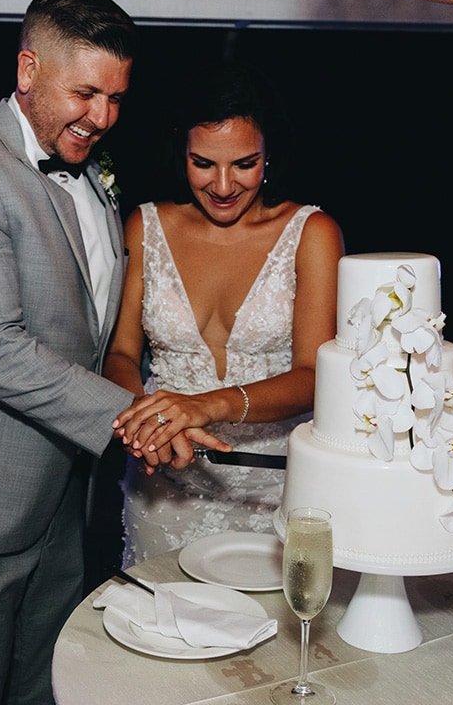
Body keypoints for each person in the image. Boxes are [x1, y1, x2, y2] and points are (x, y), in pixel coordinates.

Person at [0, 0, 199, 705]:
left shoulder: (93, 174)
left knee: (47, 689)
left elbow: (88, 331)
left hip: (59, 500)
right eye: (85, 93)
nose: (103, 117)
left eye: (116, 97)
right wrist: (133, 420)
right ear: (27, 71)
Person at [104, 61, 345, 566]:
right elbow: (121, 352)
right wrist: (147, 424)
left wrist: (207, 406)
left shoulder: (312, 233)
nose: (223, 185)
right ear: (181, 153)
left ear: (269, 154)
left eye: (243, 163)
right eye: (203, 163)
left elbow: (314, 376)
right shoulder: (144, 225)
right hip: (163, 480)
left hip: (274, 482)